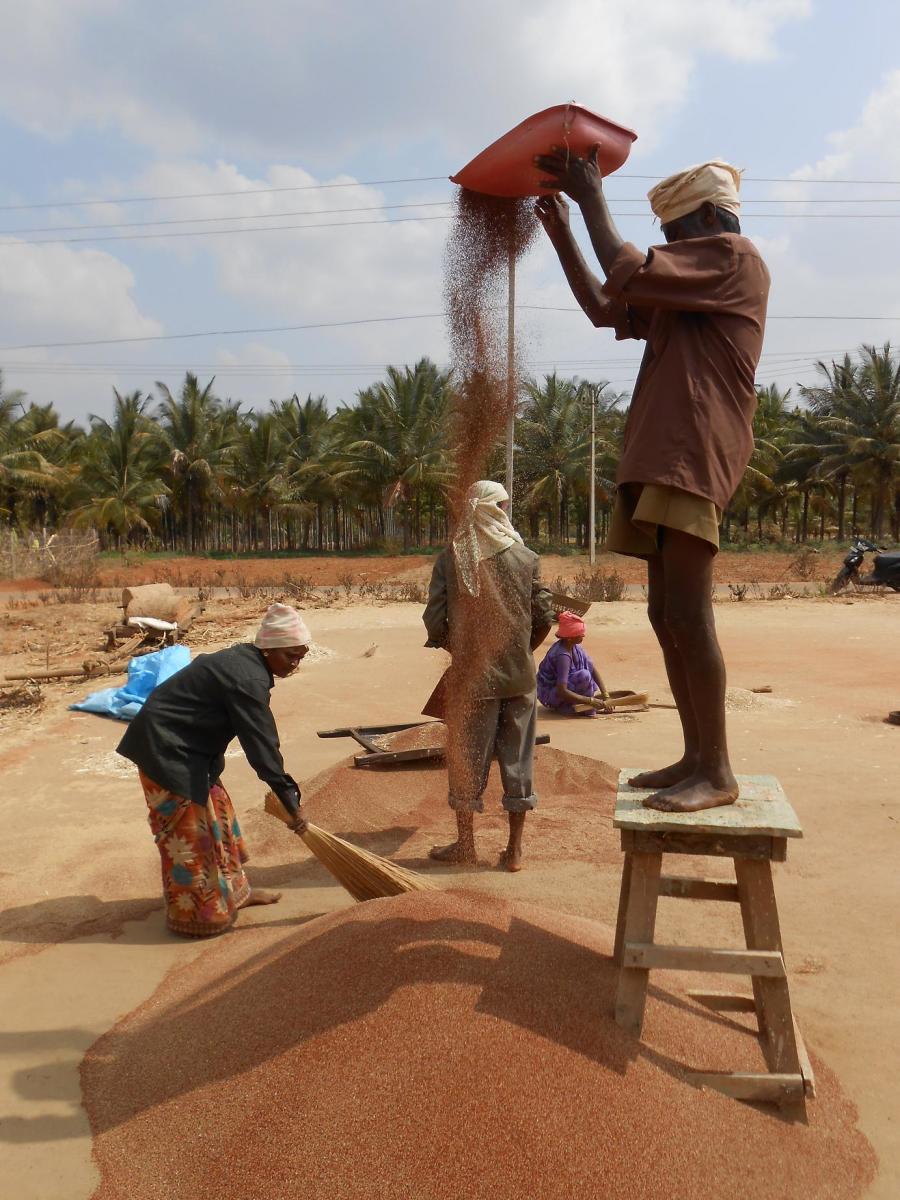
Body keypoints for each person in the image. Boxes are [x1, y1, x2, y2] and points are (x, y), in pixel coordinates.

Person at [534, 153, 770, 813]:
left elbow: (630, 267)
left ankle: (717, 770)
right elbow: (607, 307)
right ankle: (696, 756)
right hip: (663, 455)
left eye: (675, 233)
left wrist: (590, 199)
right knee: (664, 612)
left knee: (690, 614)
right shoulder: (685, 293)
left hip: (693, 452)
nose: (668, 248)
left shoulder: (734, 258)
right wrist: (560, 234)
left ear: (709, 220)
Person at [117, 602, 309, 937]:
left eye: (301, 656)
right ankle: (196, 917)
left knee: (219, 815)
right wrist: (289, 801)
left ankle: (236, 894)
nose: (295, 664)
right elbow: (262, 746)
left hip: (192, 749)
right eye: (290, 656)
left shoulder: (250, 664)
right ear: (269, 649)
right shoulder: (248, 677)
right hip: (165, 750)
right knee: (189, 834)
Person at [423, 480, 554, 871]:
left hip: (472, 680)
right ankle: (514, 851)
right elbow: (545, 615)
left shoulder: (454, 557)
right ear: (498, 509)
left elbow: (434, 619)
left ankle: (466, 845)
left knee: (466, 759)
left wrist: (463, 655)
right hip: (519, 677)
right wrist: (520, 651)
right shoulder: (526, 557)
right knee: (518, 761)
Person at [537, 610, 609, 715]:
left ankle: (580, 706)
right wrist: (590, 701)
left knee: (587, 672)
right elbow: (562, 690)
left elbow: (593, 670)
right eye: (579, 634)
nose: (583, 636)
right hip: (550, 694)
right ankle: (568, 707)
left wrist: (606, 695)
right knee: (584, 676)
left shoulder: (575, 648)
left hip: (560, 690)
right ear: (570, 638)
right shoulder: (563, 655)